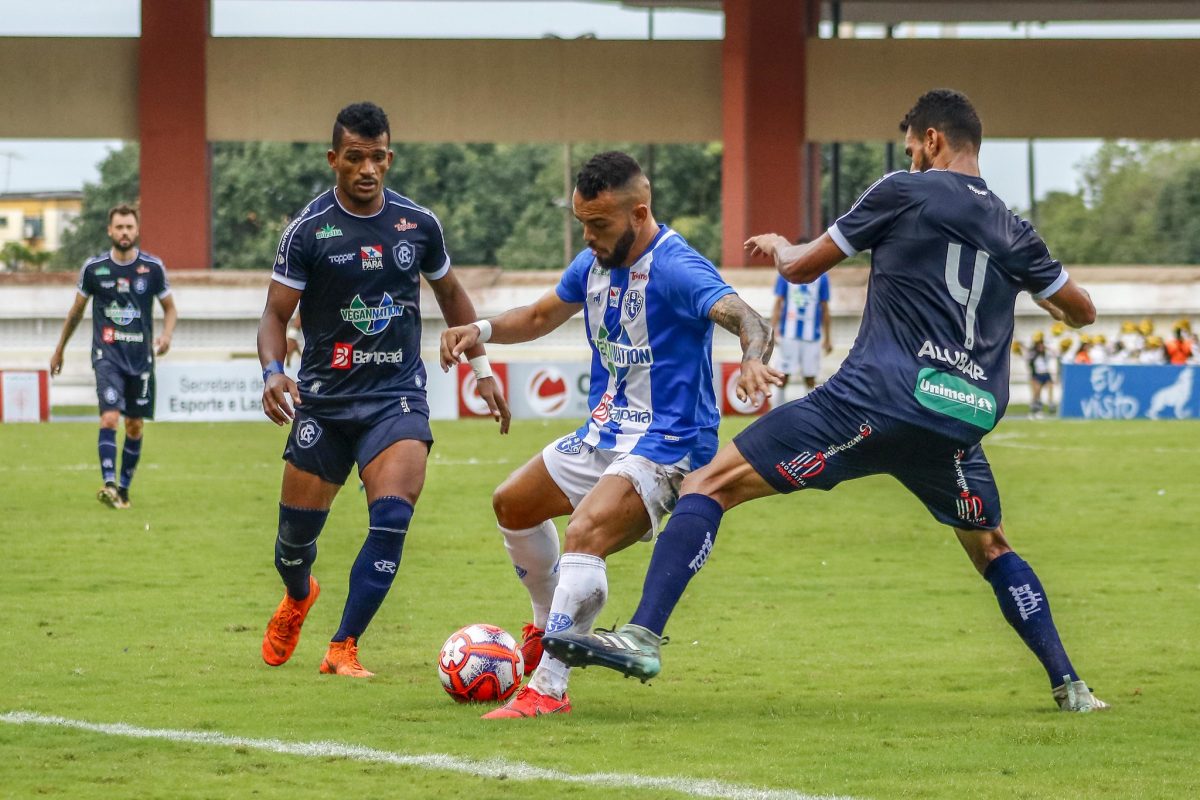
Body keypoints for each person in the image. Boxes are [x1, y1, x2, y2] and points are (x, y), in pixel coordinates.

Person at [544, 89, 1109, 713]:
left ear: (931, 142)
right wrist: (1044, 296)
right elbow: (1081, 311)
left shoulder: (902, 188)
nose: (911, 159)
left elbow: (802, 269)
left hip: (877, 399)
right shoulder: (1013, 226)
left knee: (709, 484)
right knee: (990, 545)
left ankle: (643, 634)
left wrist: (783, 246)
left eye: (911, 149)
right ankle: (1072, 687)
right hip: (959, 417)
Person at [439, 151, 781, 718]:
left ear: (639, 213)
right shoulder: (595, 264)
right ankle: (550, 625)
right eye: (582, 223)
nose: (589, 236)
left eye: (598, 225)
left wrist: (750, 359)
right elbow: (542, 314)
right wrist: (478, 329)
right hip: (605, 431)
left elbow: (749, 317)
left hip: (669, 441)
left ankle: (548, 688)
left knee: (586, 531)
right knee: (513, 504)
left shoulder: (677, 267)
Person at [257, 102, 509, 679]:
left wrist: (483, 369)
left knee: (392, 517)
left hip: (395, 397)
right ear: (334, 160)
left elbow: (452, 299)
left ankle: (343, 646)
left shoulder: (418, 224)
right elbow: (274, 314)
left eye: (378, 157)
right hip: (322, 401)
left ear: (389, 158)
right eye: (355, 158)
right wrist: (273, 372)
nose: (368, 168)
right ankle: (299, 596)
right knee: (293, 542)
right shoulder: (307, 231)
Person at [50, 203, 177, 510]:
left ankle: (123, 489)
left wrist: (166, 335)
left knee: (134, 425)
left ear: (136, 230)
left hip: (141, 358)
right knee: (109, 418)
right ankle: (108, 483)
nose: (124, 232)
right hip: (106, 355)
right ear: (110, 230)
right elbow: (77, 311)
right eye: (119, 227)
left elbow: (170, 308)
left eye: (129, 227)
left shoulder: (153, 268)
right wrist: (59, 349)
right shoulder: (94, 269)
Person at [769, 245, 832, 399]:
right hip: (789, 335)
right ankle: (778, 413)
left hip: (812, 336)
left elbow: (824, 308)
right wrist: (772, 330)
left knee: (810, 378)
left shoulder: (822, 277)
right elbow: (778, 303)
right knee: (783, 376)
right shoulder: (786, 274)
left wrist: (828, 338)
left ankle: (809, 415)